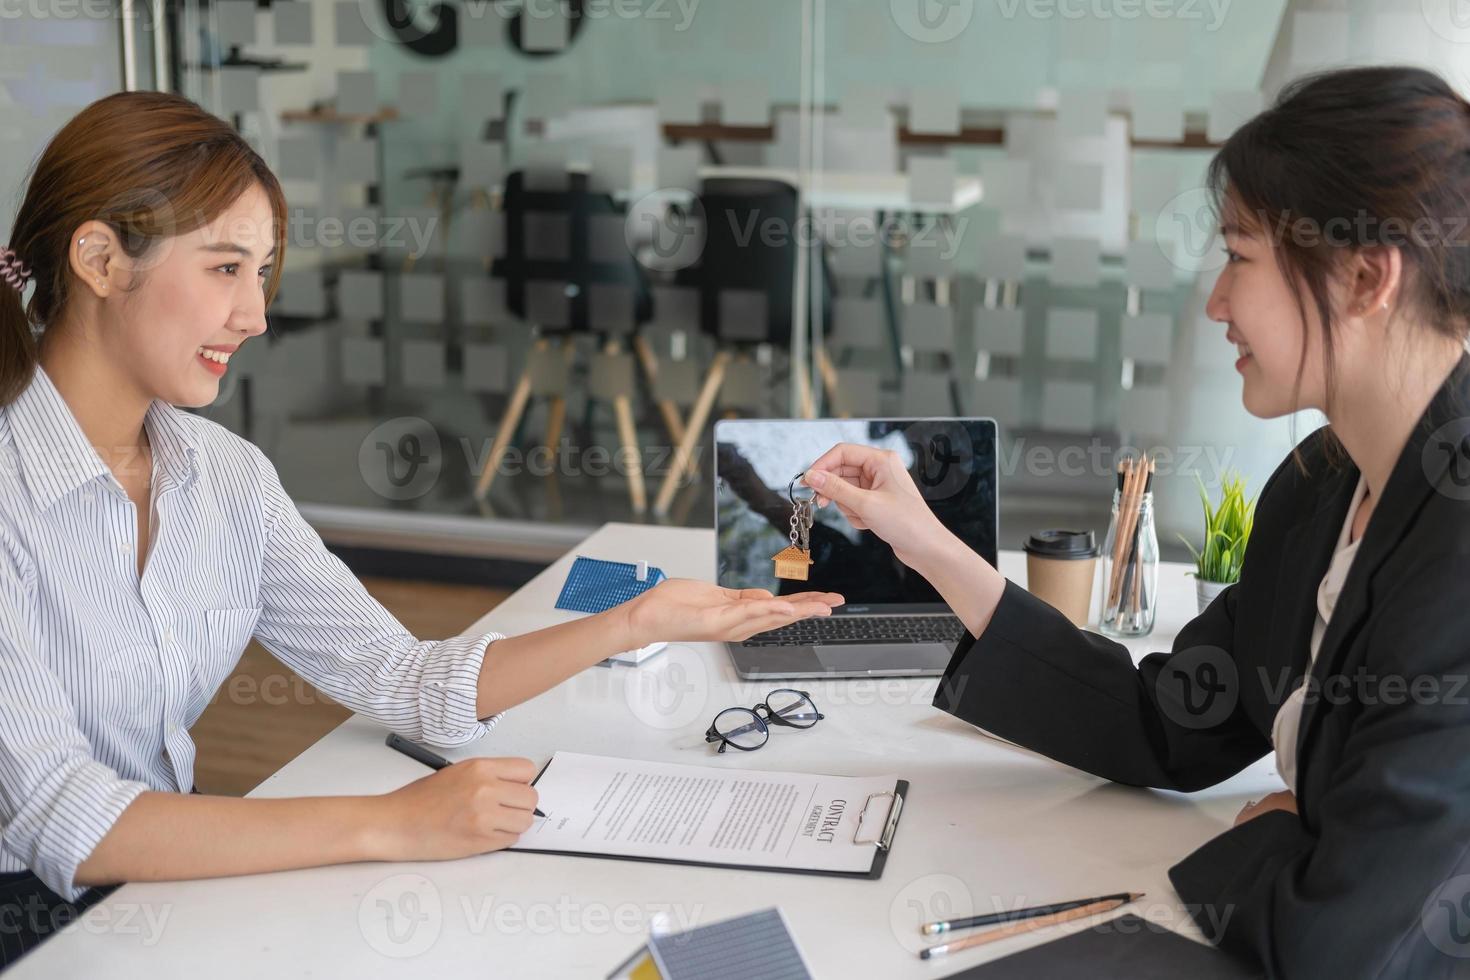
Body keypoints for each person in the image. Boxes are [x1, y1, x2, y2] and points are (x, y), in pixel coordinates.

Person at [0, 91, 842, 965]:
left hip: (159, 887)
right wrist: (389, 824)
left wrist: (633, 622)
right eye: (224, 269)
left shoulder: (224, 477)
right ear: (98, 258)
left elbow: (402, 677)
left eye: (262, 272)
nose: (255, 315)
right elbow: (67, 820)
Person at [804, 66, 1470, 977]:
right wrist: (929, 546)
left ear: (1364, 277)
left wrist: (1275, 839)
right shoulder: (1319, 487)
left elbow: (1343, 944)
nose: (1216, 303)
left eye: (1239, 256)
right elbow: (1169, 720)